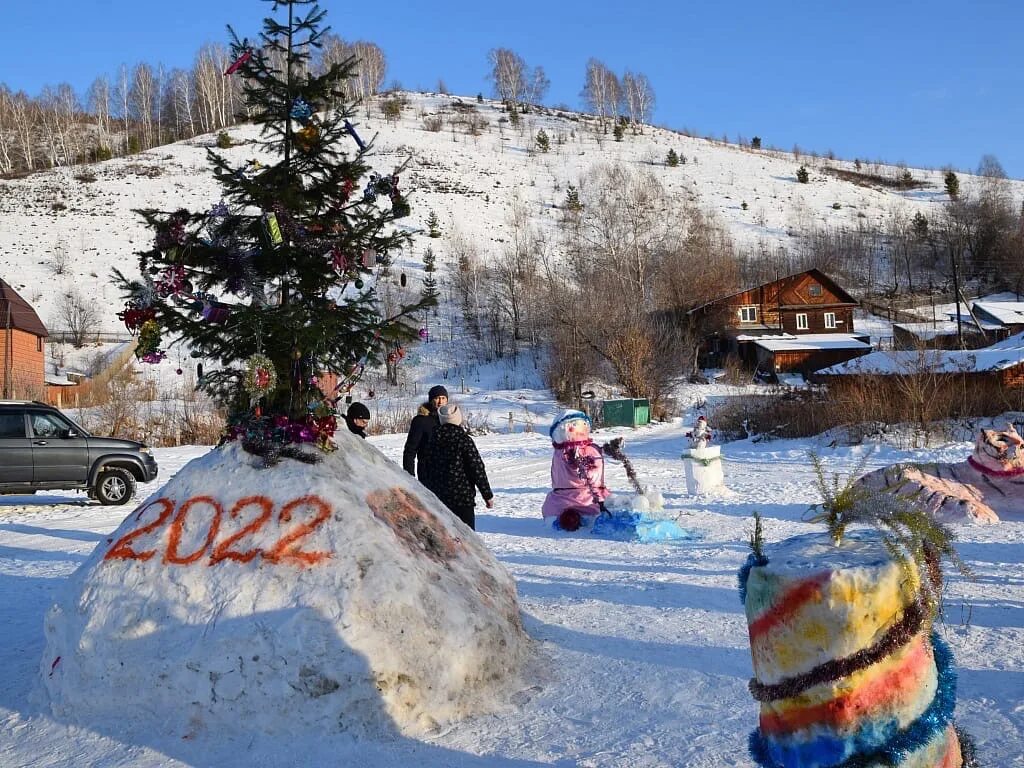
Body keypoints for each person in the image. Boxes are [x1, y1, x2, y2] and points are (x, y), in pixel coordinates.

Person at [425, 403, 493, 530]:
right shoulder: (464, 440)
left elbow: (426, 468)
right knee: (467, 541)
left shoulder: (432, 440)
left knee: (445, 537)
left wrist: (427, 492)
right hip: (462, 498)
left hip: (438, 498)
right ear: (458, 418)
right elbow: (477, 468)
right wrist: (487, 495)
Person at [541, 410, 610, 530]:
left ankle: (561, 519)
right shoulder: (573, 452)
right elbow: (589, 474)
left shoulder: (559, 451)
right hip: (589, 500)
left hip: (559, 502)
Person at [402, 385, 447, 480]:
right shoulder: (421, 420)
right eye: (437, 398)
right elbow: (410, 450)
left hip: (448, 474)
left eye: (443, 398)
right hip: (428, 473)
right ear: (431, 400)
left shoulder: (449, 419)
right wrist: (409, 476)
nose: (440, 402)